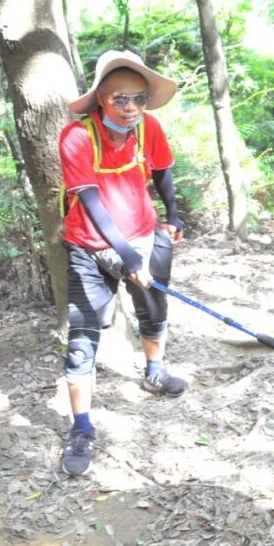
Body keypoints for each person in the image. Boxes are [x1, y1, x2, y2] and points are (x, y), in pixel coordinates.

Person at [57, 50, 189, 477]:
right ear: (101, 99)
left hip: (144, 234)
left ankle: (154, 372)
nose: (131, 108)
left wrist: (173, 216)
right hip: (89, 246)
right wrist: (125, 255)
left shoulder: (148, 127)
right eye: (120, 99)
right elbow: (88, 197)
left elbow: (162, 171)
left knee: (154, 309)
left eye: (139, 99)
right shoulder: (77, 137)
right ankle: (81, 428)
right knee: (82, 336)